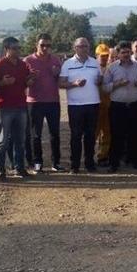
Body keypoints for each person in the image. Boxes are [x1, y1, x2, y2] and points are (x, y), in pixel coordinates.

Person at [0, 37, 35, 181]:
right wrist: (3, 82)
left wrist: (30, 80)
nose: (18, 50)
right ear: (6, 49)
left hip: (21, 106)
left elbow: (25, 82)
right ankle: (0, 170)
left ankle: (19, 168)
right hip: (4, 108)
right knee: (2, 141)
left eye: (19, 48)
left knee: (20, 140)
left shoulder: (22, 64)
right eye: (14, 48)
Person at [60, 38, 103, 173]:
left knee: (90, 136)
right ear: (75, 48)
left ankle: (90, 163)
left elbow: (100, 79)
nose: (84, 49)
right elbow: (61, 83)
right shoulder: (68, 64)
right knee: (76, 136)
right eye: (81, 46)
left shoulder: (95, 63)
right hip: (76, 105)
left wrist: (100, 80)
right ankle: (75, 165)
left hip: (93, 104)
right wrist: (74, 84)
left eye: (86, 46)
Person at [103, 40, 137, 172]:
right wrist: (117, 84)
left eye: (128, 52)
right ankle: (114, 163)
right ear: (118, 54)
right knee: (117, 135)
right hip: (118, 107)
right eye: (123, 52)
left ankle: (136, 162)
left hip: (135, 105)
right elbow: (105, 88)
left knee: (136, 135)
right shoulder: (112, 68)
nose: (126, 54)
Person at [24, 33, 64, 173]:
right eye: (43, 45)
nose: (46, 48)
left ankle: (56, 162)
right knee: (36, 134)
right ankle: (37, 162)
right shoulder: (28, 60)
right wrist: (31, 79)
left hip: (53, 101)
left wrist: (56, 74)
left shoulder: (56, 60)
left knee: (55, 133)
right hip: (35, 102)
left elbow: (61, 80)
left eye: (48, 45)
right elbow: (24, 83)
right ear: (37, 45)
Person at [95, 43, 112, 167]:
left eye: (106, 56)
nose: (104, 58)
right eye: (102, 56)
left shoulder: (110, 69)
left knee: (107, 132)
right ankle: (89, 156)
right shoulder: (92, 68)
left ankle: (103, 156)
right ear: (97, 56)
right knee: (93, 132)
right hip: (95, 104)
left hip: (108, 104)